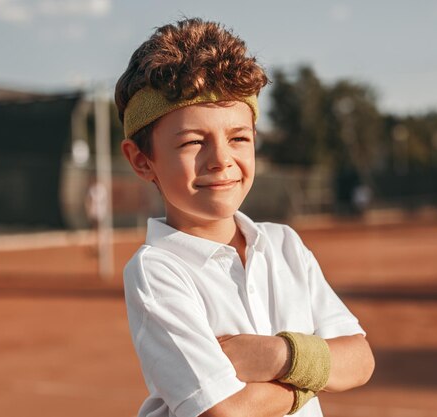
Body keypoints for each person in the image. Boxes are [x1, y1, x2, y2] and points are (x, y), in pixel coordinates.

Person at [116, 18, 375, 417]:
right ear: (141, 160)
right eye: (192, 142)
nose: (221, 160)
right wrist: (312, 373)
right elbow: (224, 411)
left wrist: (277, 355)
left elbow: (359, 359)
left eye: (238, 137)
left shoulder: (284, 243)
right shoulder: (157, 271)